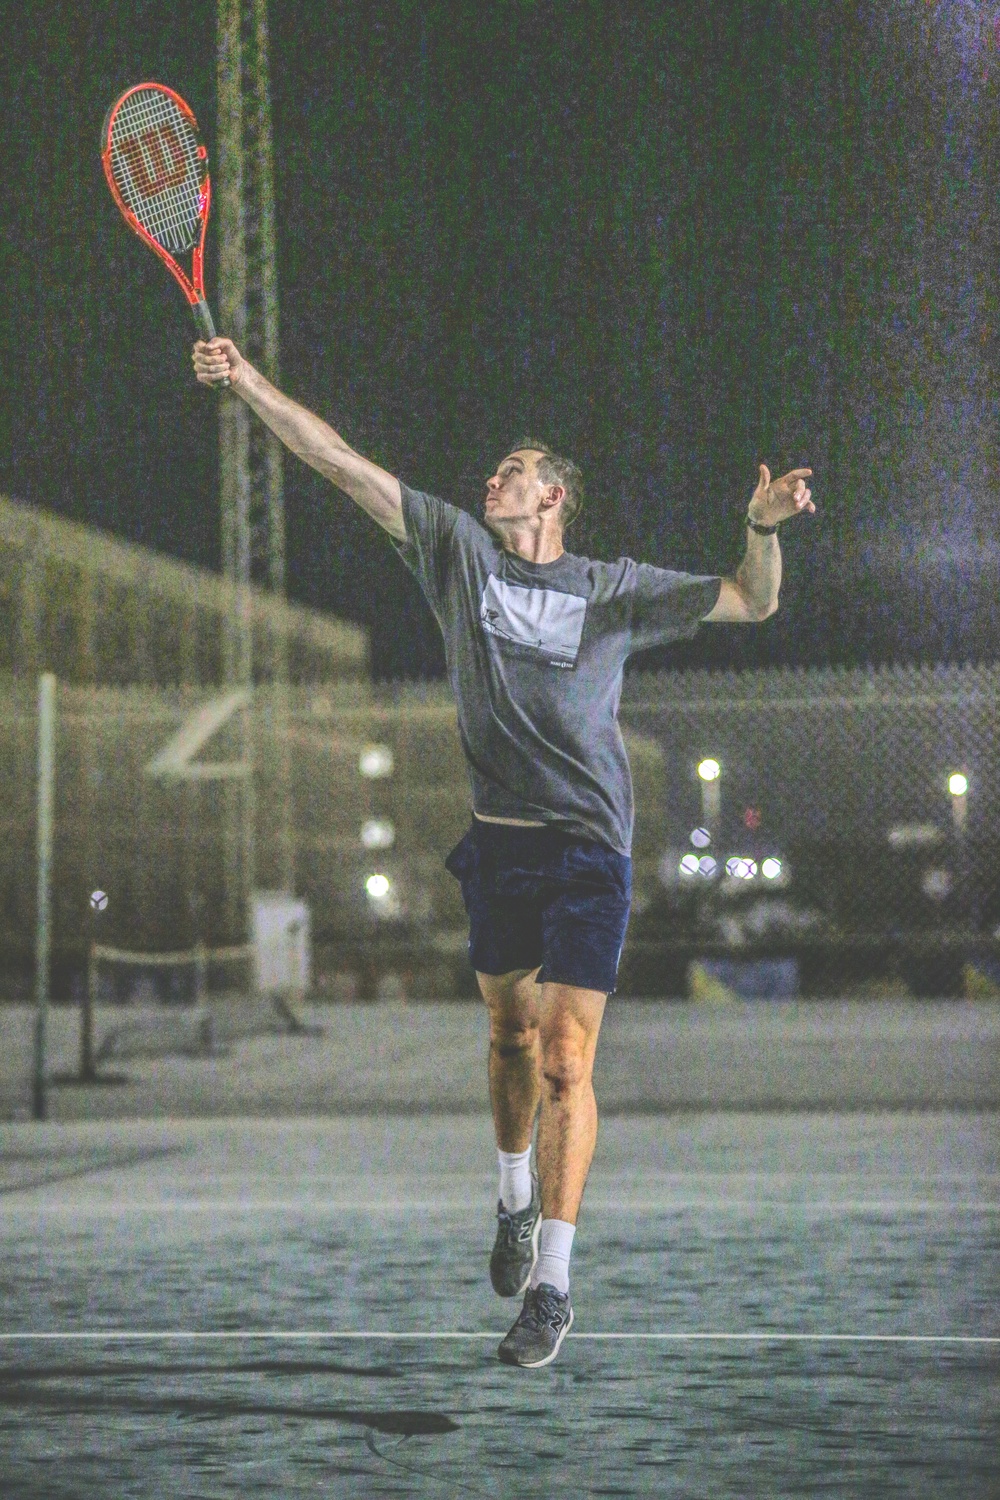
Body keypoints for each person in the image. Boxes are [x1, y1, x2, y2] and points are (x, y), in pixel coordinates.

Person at [192, 336, 815, 1366]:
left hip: (588, 851)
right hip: (501, 847)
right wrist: (246, 378)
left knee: (568, 1056)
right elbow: (335, 459)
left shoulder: (611, 588)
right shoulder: (453, 548)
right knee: (509, 1042)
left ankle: (553, 1286)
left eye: (513, 473)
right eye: (495, 471)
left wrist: (759, 526)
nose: (493, 479)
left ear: (555, 499)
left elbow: (754, 599)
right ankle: (512, 1198)